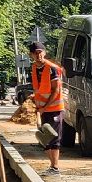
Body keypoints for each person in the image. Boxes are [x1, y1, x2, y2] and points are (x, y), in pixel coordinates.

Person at [27, 40, 63, 174]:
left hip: (54, 108)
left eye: (40, 52)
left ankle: (55, 168)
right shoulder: (35, 68)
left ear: (44, 53)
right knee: (45, 139)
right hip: (42, 109)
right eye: (35, 53)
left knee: (53, 138)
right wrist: (35, 97)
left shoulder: (51, 68)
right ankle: (52, 166)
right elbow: (41, 88)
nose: (38, 55)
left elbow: (55, 91)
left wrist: (44, 106)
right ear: (31, 55)